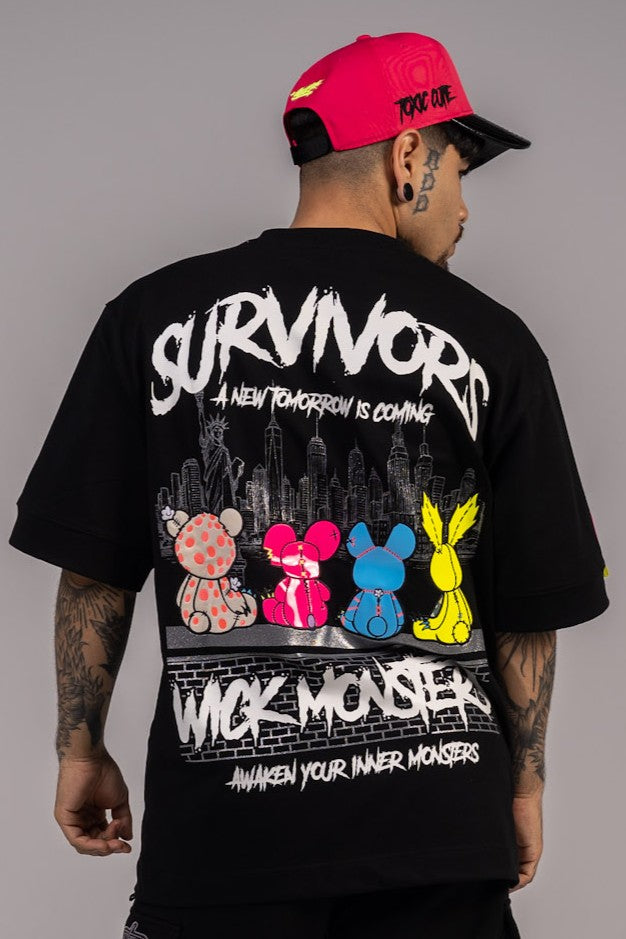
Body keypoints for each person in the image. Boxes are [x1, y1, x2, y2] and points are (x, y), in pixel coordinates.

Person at [8, 31, 610, 939]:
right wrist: (524, 786)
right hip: (438, 844)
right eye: (458, 171)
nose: (463, 209)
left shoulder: (149, 316)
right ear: (408, 156)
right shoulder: (496, 343)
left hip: (223, 845)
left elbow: (96, 569)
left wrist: (78, 744)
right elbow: (528, 611)